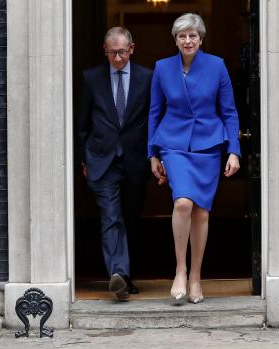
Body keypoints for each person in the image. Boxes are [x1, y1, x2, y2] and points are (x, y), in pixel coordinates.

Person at [148, 13, 241, 305]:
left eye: (193, 36)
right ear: (175, 40)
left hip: (208, 145)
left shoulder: (217, 66)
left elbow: (229, 112)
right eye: (182, 36)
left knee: (201, 212)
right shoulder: (162, 68)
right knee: (183, 203)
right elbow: (154, 112)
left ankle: (196, 277)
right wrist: (152, 153)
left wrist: (234, 150)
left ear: (201, 38)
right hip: (173, 144)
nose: (187, 41)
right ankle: (180, 269)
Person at [76, 27, 153, 300]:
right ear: (104, 51)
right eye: (112, 53)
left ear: (132, 48)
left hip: (134, 160)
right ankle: (117, 273)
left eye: (122, 52)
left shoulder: (147, 78)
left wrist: (155, 156)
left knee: (131, 219)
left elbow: (153, 119)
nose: (117, 58)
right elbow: (82, 123)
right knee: (111, 217)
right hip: (102, 159)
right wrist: (84, 158)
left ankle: (126, 277)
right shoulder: (91, 78)